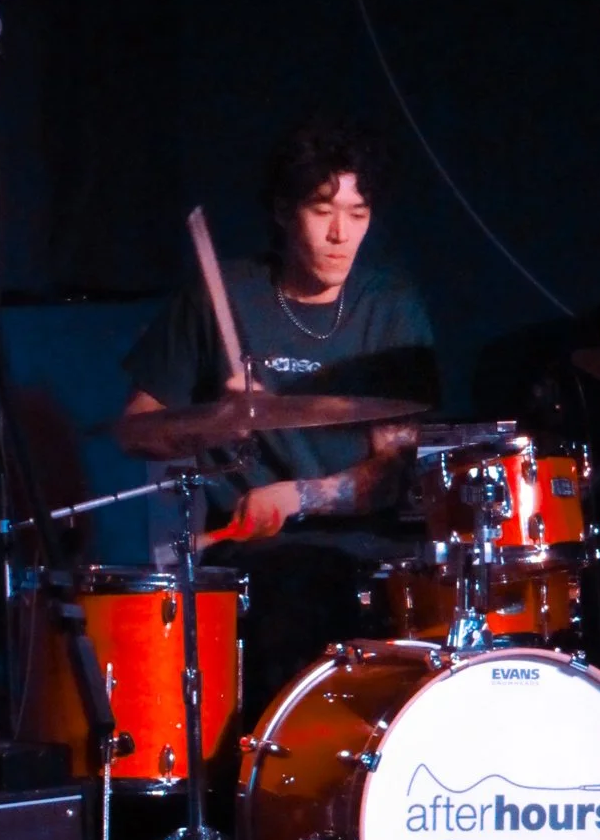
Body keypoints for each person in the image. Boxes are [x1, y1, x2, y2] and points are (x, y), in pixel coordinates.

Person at [122, 115, 439, 723]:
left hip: (370, 550)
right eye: (322, 211)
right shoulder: (221, 295)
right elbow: (138, 428)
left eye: (358, 214)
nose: (341, 234)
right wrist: (210, 425)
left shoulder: (391, 308)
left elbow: (392, 472)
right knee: (292, 589)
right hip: (254, 558)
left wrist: (296, 495)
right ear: (283, 211)